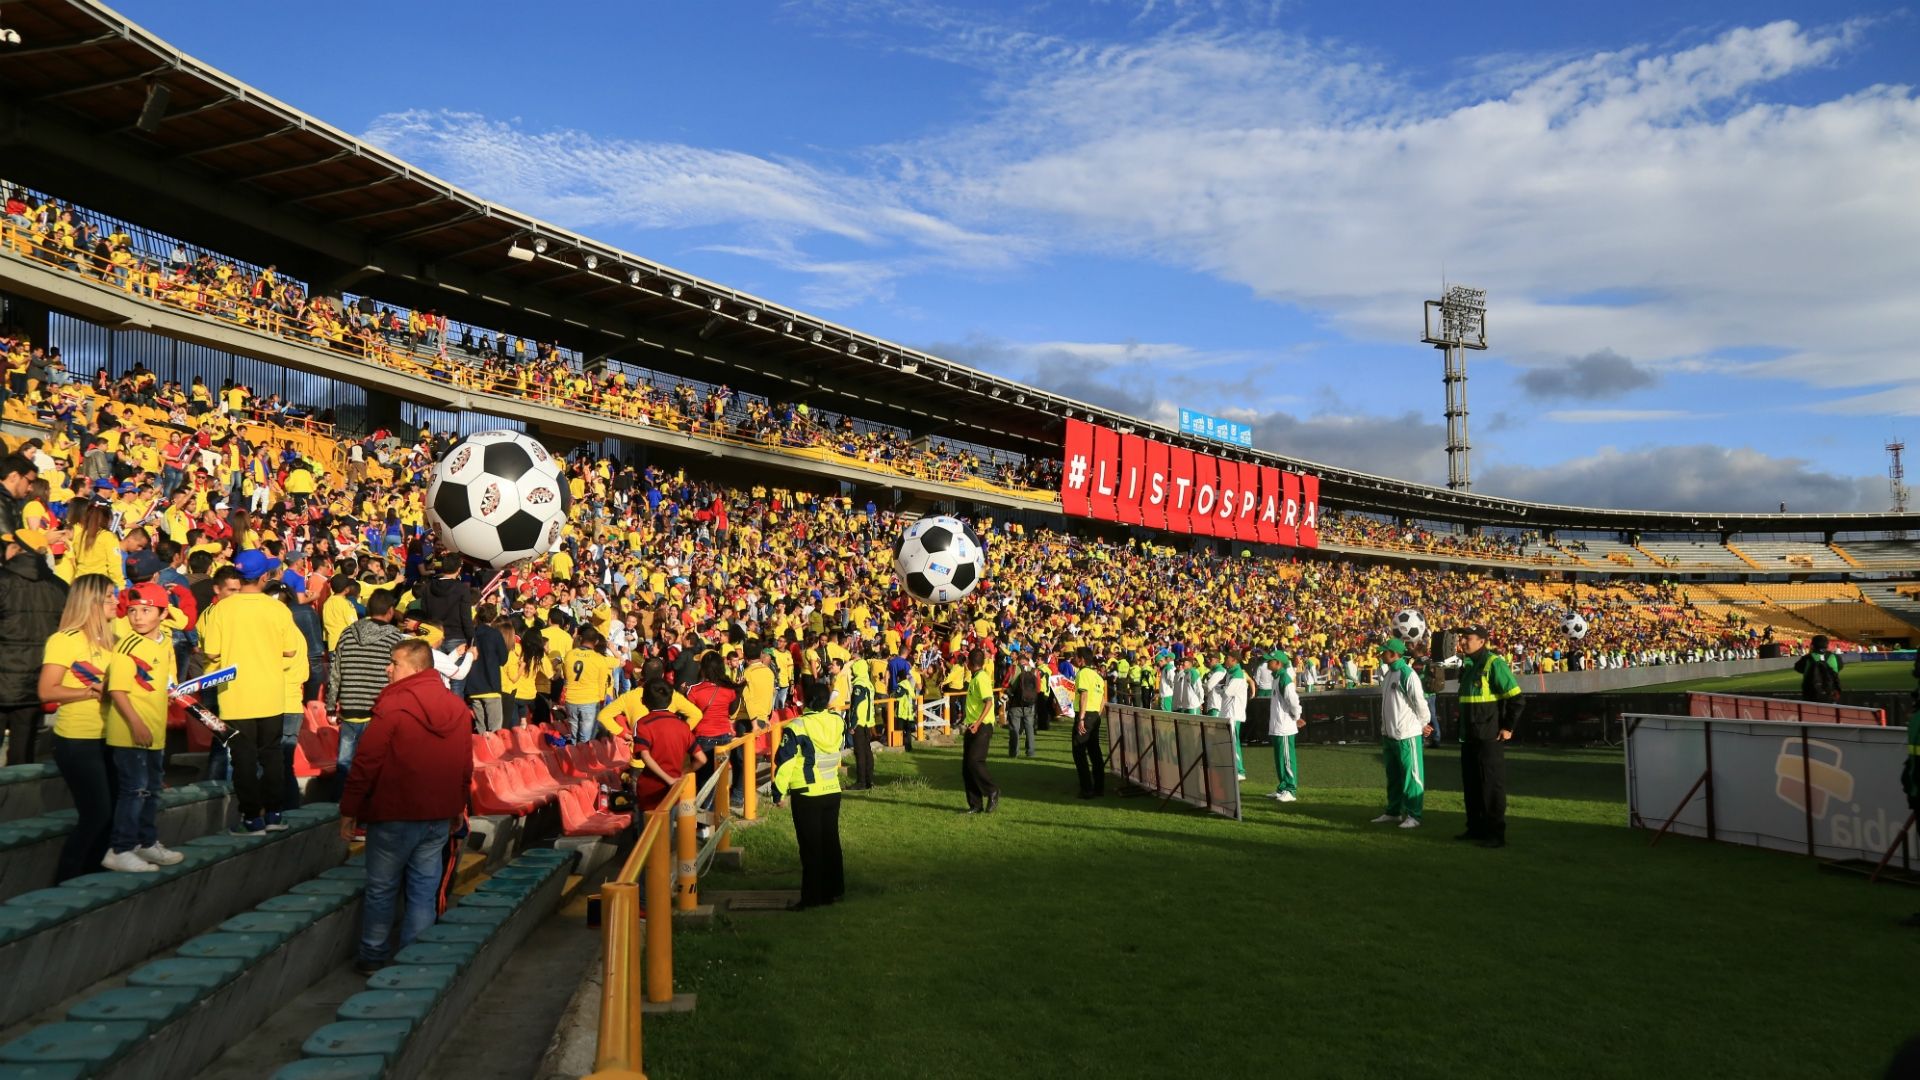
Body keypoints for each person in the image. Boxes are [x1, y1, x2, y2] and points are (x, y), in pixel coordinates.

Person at [341, 639, 474, 976]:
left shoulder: (393, 705)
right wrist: (457, 806)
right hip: (437, 814)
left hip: (394, 812)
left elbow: (366, 761)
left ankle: (373, 955)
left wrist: (349, 809)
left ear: (415, 668)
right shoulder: (456, 707)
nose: (388, 669)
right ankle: (414, 960)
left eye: (394, 663)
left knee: (382, 888)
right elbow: (464, 765)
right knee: (423, 890)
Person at [199, 549, 306, 834]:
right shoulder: (278, 609)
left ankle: (251, 818)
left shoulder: (222, 609)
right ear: (264, 576)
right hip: (271, 694)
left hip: (235, 697)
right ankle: (273, 815)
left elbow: (211, 652)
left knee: (243, 758)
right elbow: (290, 650)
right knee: (272, 756)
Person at [101, 583, 185, 871]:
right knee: (134, 790)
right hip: (129, 732)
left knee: (151, 790)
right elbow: (117, 691)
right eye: (133, 611)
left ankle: (146, 843)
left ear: (163, 614)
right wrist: (136, 724)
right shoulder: (128, 646)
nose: (137, 617)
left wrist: (170, 692)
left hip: (154, 730)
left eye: (146, 611)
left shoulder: (164, 643)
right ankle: (120, 848)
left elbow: (162, 681)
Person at [42, 574, 117, 881]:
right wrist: (91, 692)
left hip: (110, 736)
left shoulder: (113, 640)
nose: (115, 601)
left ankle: (92, 879)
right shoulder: (65, 640)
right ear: (91, 601)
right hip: (77, 739)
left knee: (113, 812)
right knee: (97, 813)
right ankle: (66, 880)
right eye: (109, 596)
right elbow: (47, 690)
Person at [770, 676, 844, 909]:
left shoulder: (797, 726)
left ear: (808, 701)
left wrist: (778, 792)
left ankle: (812, 897)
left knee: (811, 847)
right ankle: (834, 890)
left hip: (807, 792)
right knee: (831, 842)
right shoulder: (837, 721)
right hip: (832, 789)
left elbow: (785, 762)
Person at [328, 588, 406, 802]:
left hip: (349, 706)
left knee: (344, 762)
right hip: (378, 710)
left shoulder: (347, 633)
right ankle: (369, 806)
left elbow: (335, 671)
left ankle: (339, 805)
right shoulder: (395, 638)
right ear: (390, 611)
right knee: (374, 763)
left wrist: (331, 705)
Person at [0, 528, 67, 765]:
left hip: (4, 679)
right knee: (23, 754)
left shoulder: (3, 581)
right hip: (36, 682)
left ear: (17, 550)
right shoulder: (59, 586)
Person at [1452, 626, 1523, 849]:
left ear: (1482, 641)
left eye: (1468, 638)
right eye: (1462, 638)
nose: (1463, 641)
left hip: (1489, 738)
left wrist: (1508, 727)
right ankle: (1475, 829)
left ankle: (1495, 835)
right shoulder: (1467, 665)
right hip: (1469, 736)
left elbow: (1517, 699)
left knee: (1491, 786)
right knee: (1472, 785)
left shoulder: (1494, 663)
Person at [1369, 639, 1431, 830]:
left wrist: (1423, 724)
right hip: (1389, 735)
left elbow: (1419, 702)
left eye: (1384, 652)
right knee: (1393, 776)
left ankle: (1414, 815)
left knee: (1411, 777)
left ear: (1394, 653)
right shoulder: (1390, 674)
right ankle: (1393, 811)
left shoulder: (1407, 674)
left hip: (1406, 735)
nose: (1381, 654)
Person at [629, 679, 705, 814]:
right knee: (669, 825)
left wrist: (668, 779)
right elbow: (701, 759)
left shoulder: (643, 724)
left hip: (650, 792)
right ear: (670, 701)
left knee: (648, 827)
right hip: (674, 790)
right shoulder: (682, 726)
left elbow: (645, 756)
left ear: (643, 701)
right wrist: (682, 773)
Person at [960, 646, 998, 814]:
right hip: (972, 725)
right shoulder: (975, 677)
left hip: (982, 726)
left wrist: (977, 723)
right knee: (967, 767)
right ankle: (975, 804)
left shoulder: (981, 678)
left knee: (975, 761)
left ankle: (992, 790)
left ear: (970, 663)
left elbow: (988, 701)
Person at [1266, 650, 1302, 802]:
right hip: (1277, 725)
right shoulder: (1277, 678)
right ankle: (1282, 787)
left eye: (1270, 660)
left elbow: (1293, 701)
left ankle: (1291, 790)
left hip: (1285, 726)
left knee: (1287, 759)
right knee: (1280, 760)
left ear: (1278, 663)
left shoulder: (1284, 679)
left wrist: (1297, 716)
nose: (1267, 662)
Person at [1071, 647, 1106, 799]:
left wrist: (1081, 718)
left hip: (1085, 715)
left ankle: (1087, 789)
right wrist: (1097, 714)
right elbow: (1104, 699)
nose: (1074, 659)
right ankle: (1099, 787)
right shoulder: (1097, 676)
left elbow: (1084, 694)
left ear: (1081, 659)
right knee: (1094, 751)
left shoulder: (1083, 673)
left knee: (1079, 751)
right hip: (1095, 715)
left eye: (1076, 656)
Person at [844, 645, 876, 791]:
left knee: (860, 752)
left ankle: (861, 781)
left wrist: (853, 724)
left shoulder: (859, 685)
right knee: (867, 751)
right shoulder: (869, 684)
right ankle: (869, 780)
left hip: (859, 723)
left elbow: (857, 706)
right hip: (867, 722)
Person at [1005, 652, 1039, 759]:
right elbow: (1038, 689)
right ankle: (1030, 752)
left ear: (1017, 660)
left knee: (1014, 729)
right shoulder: (1035, 671)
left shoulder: (1013, 669)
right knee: (1029, 729)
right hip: (1030, 704)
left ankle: (1014, 753)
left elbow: (1005, 683)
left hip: (1015, 703)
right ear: (1028, 661)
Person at [1794, 635, 1844, 704]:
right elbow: (1839, 668)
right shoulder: (1835, 657)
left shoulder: (1807, 658)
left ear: (1812, 646)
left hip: (1810, 695)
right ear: (1827, 645)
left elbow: (1798, 668)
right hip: (1831, 693)